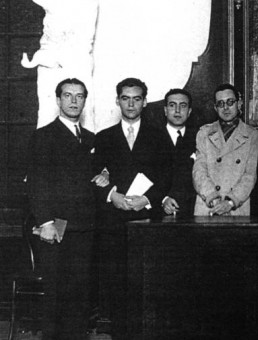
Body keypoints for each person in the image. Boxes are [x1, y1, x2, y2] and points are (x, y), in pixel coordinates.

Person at [27, 78, 107, 340]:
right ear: (58, 100)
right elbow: (37, 183)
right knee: (56, 294)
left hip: (85, 227)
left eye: (79, 96)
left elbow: (95, 177)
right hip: (56, 227)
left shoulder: (92, 139)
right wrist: (46, 222)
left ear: (85, 100)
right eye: (68, 95)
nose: (74, 101)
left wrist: (104, 176)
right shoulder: (44, 136)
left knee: (79, 294)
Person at [93, 77, 170, 338]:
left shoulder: (159, 137)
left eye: (136, 98)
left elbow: (167, 177)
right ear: (117, 101)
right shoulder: (103, 138)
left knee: (147, 284)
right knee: (116, 285)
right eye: (125, 98)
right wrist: (111, 195)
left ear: (145, 102)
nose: (131, 103)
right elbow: (94, 176)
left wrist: (147, 199)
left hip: (147, 222)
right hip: (113, 223)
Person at [193, 83, 258, 216]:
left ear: (239, 103)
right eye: (221, 104)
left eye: (230, 102)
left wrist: (230, 202)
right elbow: (199, 171)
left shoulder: (252, 134)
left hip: (236, 207)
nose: (226, 108)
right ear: (215, 108)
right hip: (208, 206)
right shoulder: (204, 132)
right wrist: (214, 199)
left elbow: (250, 175)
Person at [158, 88, 198, 217]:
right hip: (158, 211)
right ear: (165, 110)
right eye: (172, 105)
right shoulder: (152, 138)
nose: (177, 110)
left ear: (189, 111)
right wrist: (163, 199)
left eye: (183, 106)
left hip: (192, 211)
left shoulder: (199, 138)